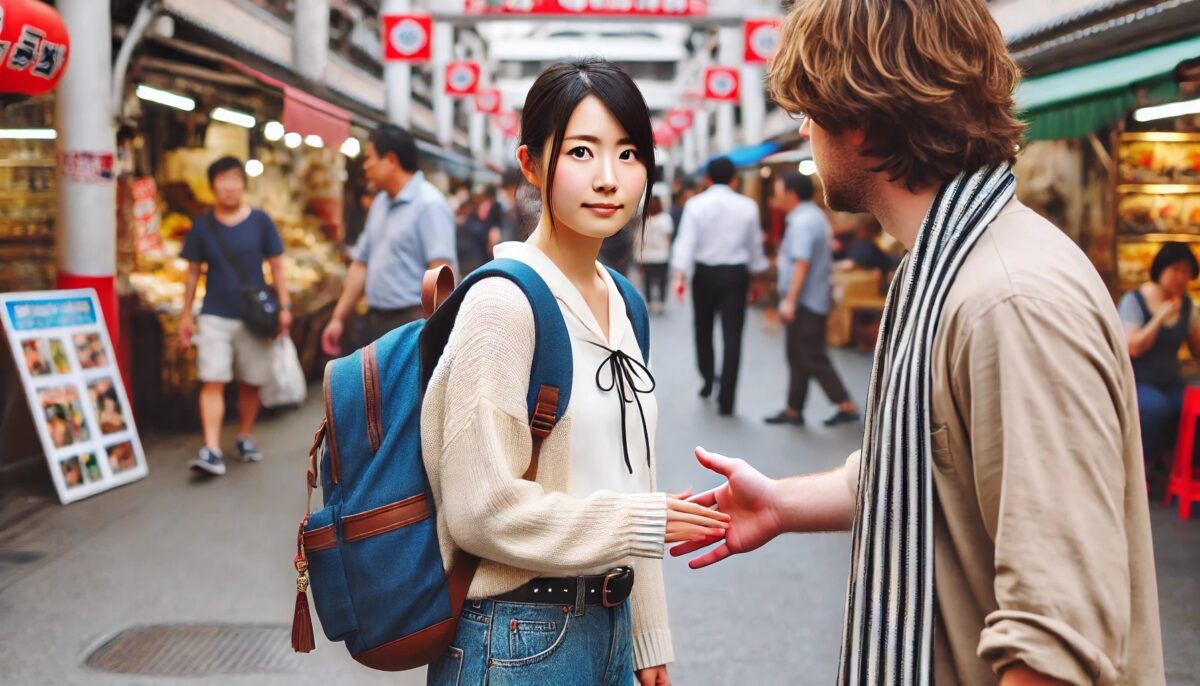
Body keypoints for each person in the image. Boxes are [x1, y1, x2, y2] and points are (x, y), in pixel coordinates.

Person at [672, 1, 1164, 685]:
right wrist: (785, 505)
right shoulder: (953, 266)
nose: (806, 133)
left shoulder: (1008, 300)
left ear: (862, 120)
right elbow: (935, 463)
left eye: (808, 113)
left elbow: (1057, 639)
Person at [421, 58, 728, 686]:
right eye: (582, 151)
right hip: (517, 638)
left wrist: (647, 638)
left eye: (629, 153)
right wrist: (647, 522)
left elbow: (631, 477)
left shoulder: (624, 303)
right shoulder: (503, 305)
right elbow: (479, 509)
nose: (609, 179)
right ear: (531, 165)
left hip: (609, 626)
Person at [179, 156, 290, 476]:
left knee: (250, 382)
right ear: (212, 185)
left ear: (243, 184)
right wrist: (186, 315)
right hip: (214, 314)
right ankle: (212, 449)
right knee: (212, 379)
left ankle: (245, 435)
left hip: (254, 317)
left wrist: (284, 306)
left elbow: (278, 265)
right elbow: (192, 274)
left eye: (235, 179)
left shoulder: (260, 222)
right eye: (222, 180)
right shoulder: (202, 226)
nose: (229, 186)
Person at [320, 125, 456, 355]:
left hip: (411, 325)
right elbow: (361, 264)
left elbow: (440, 272)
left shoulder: (429, 204)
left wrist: (433, 335)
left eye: (369, 158)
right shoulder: (380, 204)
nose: (365, 166)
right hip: (374, 322)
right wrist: (338, 318)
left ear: (391, 160)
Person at [670, 156, 768, 416]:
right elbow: (754, 246)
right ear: (735, 179)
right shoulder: (748, 207)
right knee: (733, 335)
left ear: (708, 179)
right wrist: (758, 279)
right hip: (736, 275)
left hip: (704, 274)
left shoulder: (695, 205)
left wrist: (680, 275)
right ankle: (727, 398)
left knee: (703, 329)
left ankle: (706, 379)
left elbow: (685, 243)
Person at [765, 170, 859, 427]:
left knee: (811, 355)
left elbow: (802, 264)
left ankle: (844, 404)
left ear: (790, 193)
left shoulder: (804, 221)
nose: (775, 194)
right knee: (798, 354)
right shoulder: (811, 216)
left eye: (778, 188)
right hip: (811, 298)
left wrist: (790, 300)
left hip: (806, 300)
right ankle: (794, 408)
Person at [1118, 242, 1200, 469]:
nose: (1181, 277)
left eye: (1186, 271)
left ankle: (1183, 470)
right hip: (1139, 381)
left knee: (1191, 407)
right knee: (1156, 408)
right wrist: (1159, 318)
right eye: (1175, 270)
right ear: (1160, 269)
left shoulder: (1187, 305)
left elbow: (1196, 349)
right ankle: (1141, 468)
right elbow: (1132, 347)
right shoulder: (1134, 300)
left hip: (1171, 381)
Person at [637, 193, 674, 314]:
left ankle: (654, 302)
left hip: (653, 255)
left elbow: (640, 239)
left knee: (651, 280)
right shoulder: (664, 219)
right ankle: (657, 302)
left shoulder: (648, 219)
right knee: (659, 280)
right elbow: (669, 237)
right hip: (658, 255)